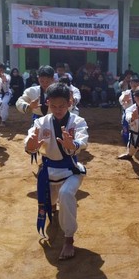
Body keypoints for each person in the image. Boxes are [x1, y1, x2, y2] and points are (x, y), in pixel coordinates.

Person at [24, 82, 89, 260]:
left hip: (70, 170)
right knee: (50, 202)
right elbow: (30, 144)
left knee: (66, 194)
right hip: (48, 171)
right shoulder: (41, 122)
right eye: (53, 106)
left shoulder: (78, 122)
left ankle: (69, 239)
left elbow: (82, 141)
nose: (58, 109)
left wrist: (72, 144)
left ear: (70, 103)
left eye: (62, 105)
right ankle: (52, 207)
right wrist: (32, 144)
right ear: (48, 104)